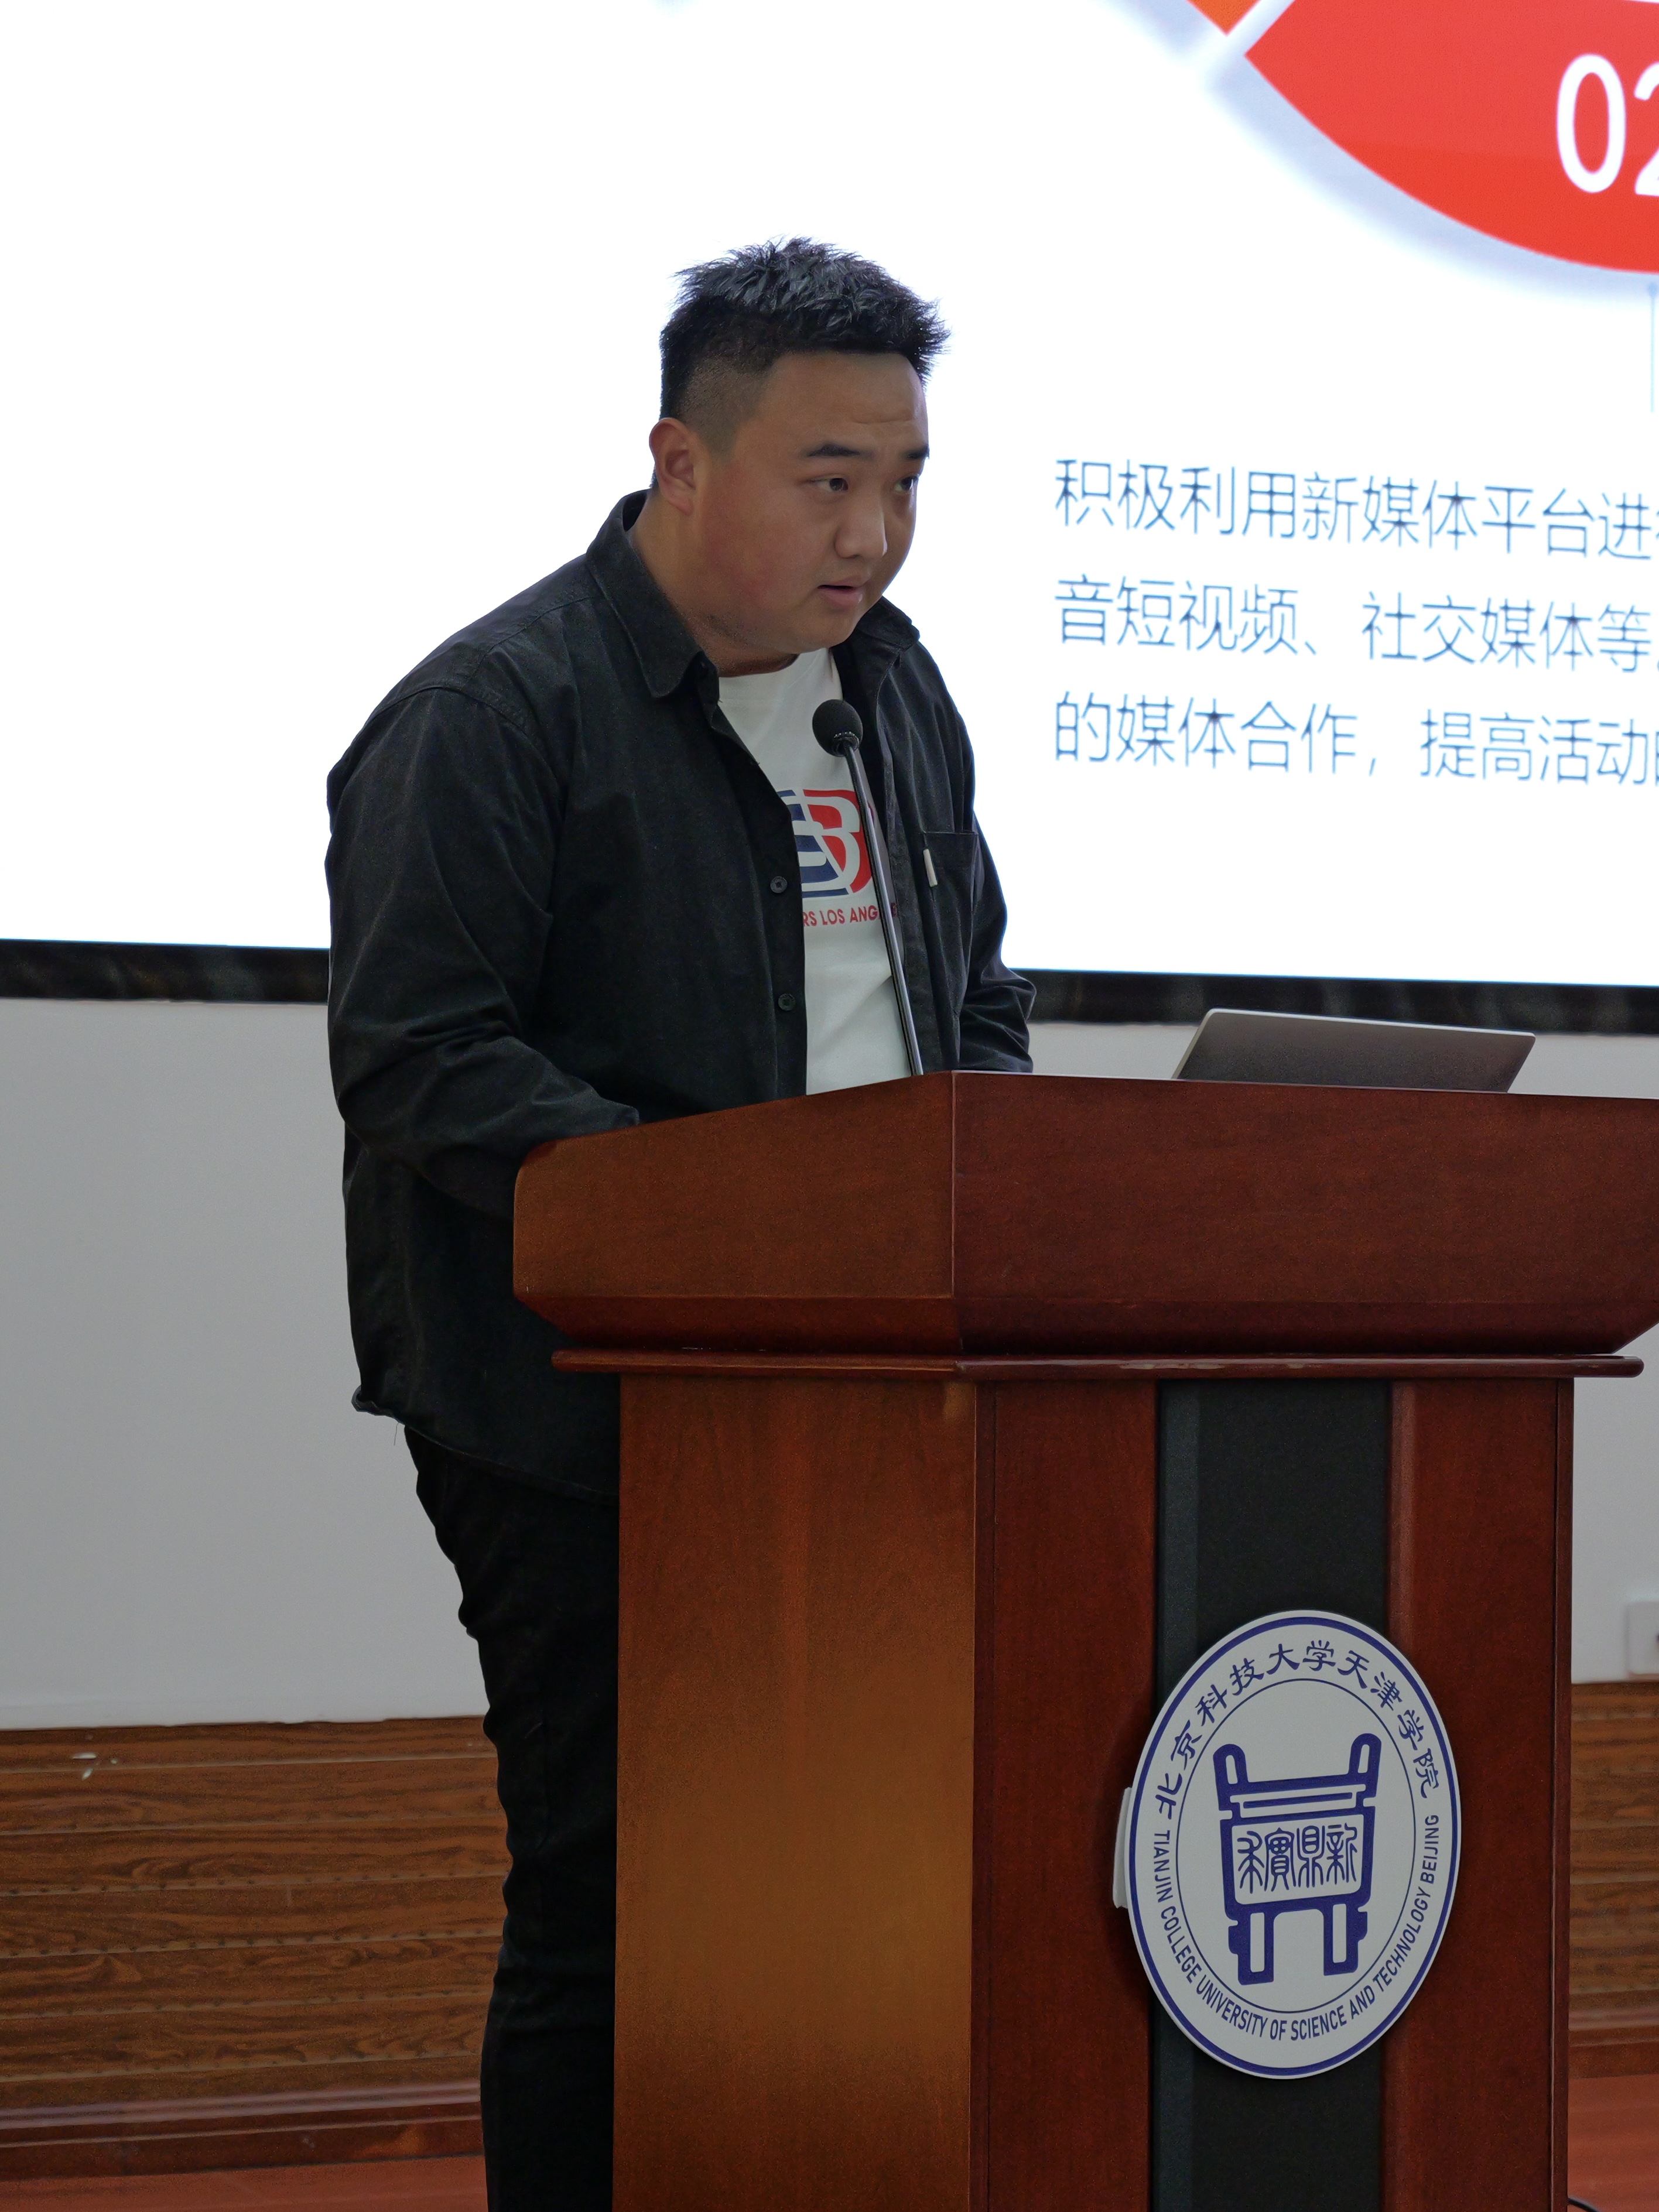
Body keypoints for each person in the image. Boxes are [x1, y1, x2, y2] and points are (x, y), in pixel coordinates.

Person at [325, 237, 1032, 2211]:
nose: (874, 532)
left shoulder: (892, 691)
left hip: (875, 1395)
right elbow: (419, 1054)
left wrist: (989, 1165)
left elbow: (970, 991)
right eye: (829, 478)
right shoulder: (493, 709)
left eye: (905, 480)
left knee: (852, 1881)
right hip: (578, 1410)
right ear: (682, 460)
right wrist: (722, 1212)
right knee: (615, 1891)